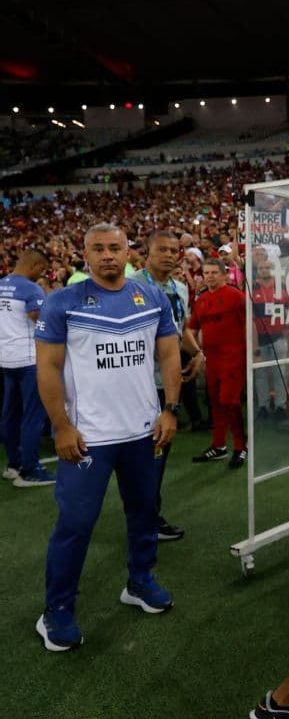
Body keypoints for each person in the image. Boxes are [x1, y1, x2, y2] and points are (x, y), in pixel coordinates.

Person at [34, 223, 181, 651]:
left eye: (115, 248)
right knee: (75, 525)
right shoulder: (62, 302)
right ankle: (56, 611)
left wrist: (169, 410)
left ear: (128, 251)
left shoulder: (151, 296)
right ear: (85, 254)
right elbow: (46, 369)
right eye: (98, 249)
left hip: (143, 432)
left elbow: (169, 354)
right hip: (88, 439)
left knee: (143, 512)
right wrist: (61, 425)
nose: (107, 256)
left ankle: (140, 581)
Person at [130, 230, 205, 541]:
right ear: (147, 252)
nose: (170, 255)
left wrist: (197, 352)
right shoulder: (131, 285)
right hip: (137, 384)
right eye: (161, 249)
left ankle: (148, 515)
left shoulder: (179, 288)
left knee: (158, 452)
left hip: (167, 383)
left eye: (174, 250)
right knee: (142, 455)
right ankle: (144, 518)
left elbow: (180, 327)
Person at [1, 250, 53, 486]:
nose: (42, 274)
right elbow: (40, 319)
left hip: (6, 359)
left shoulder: (2, 284)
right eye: (42, 269)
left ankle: (14, 464)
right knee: (33, 416)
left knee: (10, 414)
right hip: (29, 360)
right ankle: (30, 470)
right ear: (34, 264)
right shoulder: (31, 289)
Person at [189, 259, 247, 468]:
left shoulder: (236, 297)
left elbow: (252, 325)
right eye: (206, 272)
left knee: (229, 401)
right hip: (211, 359)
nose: (210, 276)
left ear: (224, 275)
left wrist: (254, 353)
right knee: (215, 403)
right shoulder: (201, 300)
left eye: (214, 272)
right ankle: (219, 445)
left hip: (234, 358)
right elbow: (192, 328)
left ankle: (241, 447)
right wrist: (196, 351)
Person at [249, 259, 289, 420]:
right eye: (261, 267)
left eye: (267, 267)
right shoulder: (252, 288)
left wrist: (288, 329)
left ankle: (281, 406)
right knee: (260, 374)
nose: (264, 270)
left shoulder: (281, 287)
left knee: (280, 373)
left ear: (272, 269)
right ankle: (263, 406)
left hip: (278, 337)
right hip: (259, 339)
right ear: (257, 270)